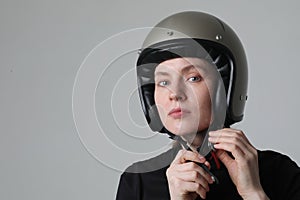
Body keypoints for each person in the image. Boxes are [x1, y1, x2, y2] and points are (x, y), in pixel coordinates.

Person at [116, 11, 300, 200]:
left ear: (226, 87)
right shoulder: (138, 182)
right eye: (163, 82)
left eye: (193, 78)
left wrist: (253, 193)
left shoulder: (280, 172)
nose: (175, 94)